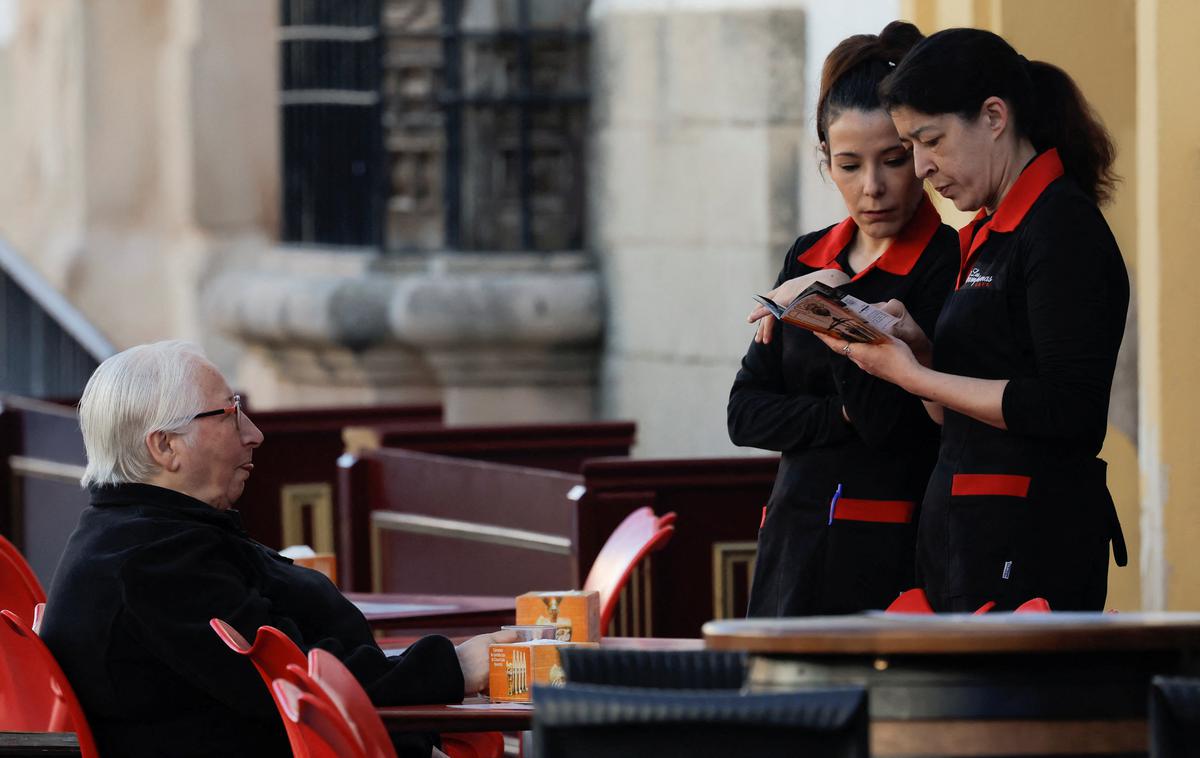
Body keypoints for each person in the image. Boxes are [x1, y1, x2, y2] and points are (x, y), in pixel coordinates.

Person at [40, 341, 515, 758]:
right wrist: (452, 667)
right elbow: (294, 684)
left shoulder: (141, 535)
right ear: (165, 447)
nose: (254, 433)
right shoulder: (151, 563)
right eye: (228, 414)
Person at [816, 27, 1129, 611]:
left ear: (993, 116)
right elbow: (952, 411)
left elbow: (1069, 409)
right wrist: (919, 352)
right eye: (911, 144)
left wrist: (914, 376)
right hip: (965, 535)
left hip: (1030, 541)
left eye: (929, 140)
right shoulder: (986, 232)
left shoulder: (1062, 228)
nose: (921, 167)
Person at [727, 21, 958, 617]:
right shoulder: (808, 254)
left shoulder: (947, 260)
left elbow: (893, 424)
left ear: (920, 153)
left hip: (883, 550)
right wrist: (842, 414)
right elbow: (745, 413)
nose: (873, 188)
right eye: (850, 165)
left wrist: (828, 312)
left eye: (893, 160)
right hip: (787, 543)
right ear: (826, 161)